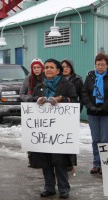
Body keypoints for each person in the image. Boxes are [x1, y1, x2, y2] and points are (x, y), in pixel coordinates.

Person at [30, 58, 77, 199]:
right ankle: (49, 187)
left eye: (51, 67)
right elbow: (31, 101)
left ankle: (64, 189)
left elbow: (75, 102)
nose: (48, 69)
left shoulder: (67, 85)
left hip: (60, 133)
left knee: (60, 161)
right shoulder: (40, 86)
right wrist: (36, 100)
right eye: (46, 67)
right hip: (44, 133)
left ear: (58, 70)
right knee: (46, 161)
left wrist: (61, 99)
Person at [82, 52, 108, 175]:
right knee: (95, 140)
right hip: (93, 113)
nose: (100, 67)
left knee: (104, 139)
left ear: (107, 65)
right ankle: (96, 164)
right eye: (98, 64)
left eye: (103, 64)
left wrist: (103, 108)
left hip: (107, 113)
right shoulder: (90, 76)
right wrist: (91, 107)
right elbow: (85, 93)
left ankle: (105, 164)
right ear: (95, 65)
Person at [19, 58, 44, 169]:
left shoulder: (45, 79)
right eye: (34, 68)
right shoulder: (28, 79)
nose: (36, 69)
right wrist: (29, 99)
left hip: (44, 109)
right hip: (32, 109)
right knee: (33, 134)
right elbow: (22, 93)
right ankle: (33, 159)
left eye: (38, 67)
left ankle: (44, 157)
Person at [61, 59, 84, 175]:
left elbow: (82, 96)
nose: (65, 69)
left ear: (71, 68)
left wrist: (77, 110)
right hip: (58, 115)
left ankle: (70, 165)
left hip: (71, 115)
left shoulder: (78, 80)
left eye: (67, 66)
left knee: (70, 139)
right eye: (63, 66)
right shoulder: (57, 79)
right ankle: (61, 163)